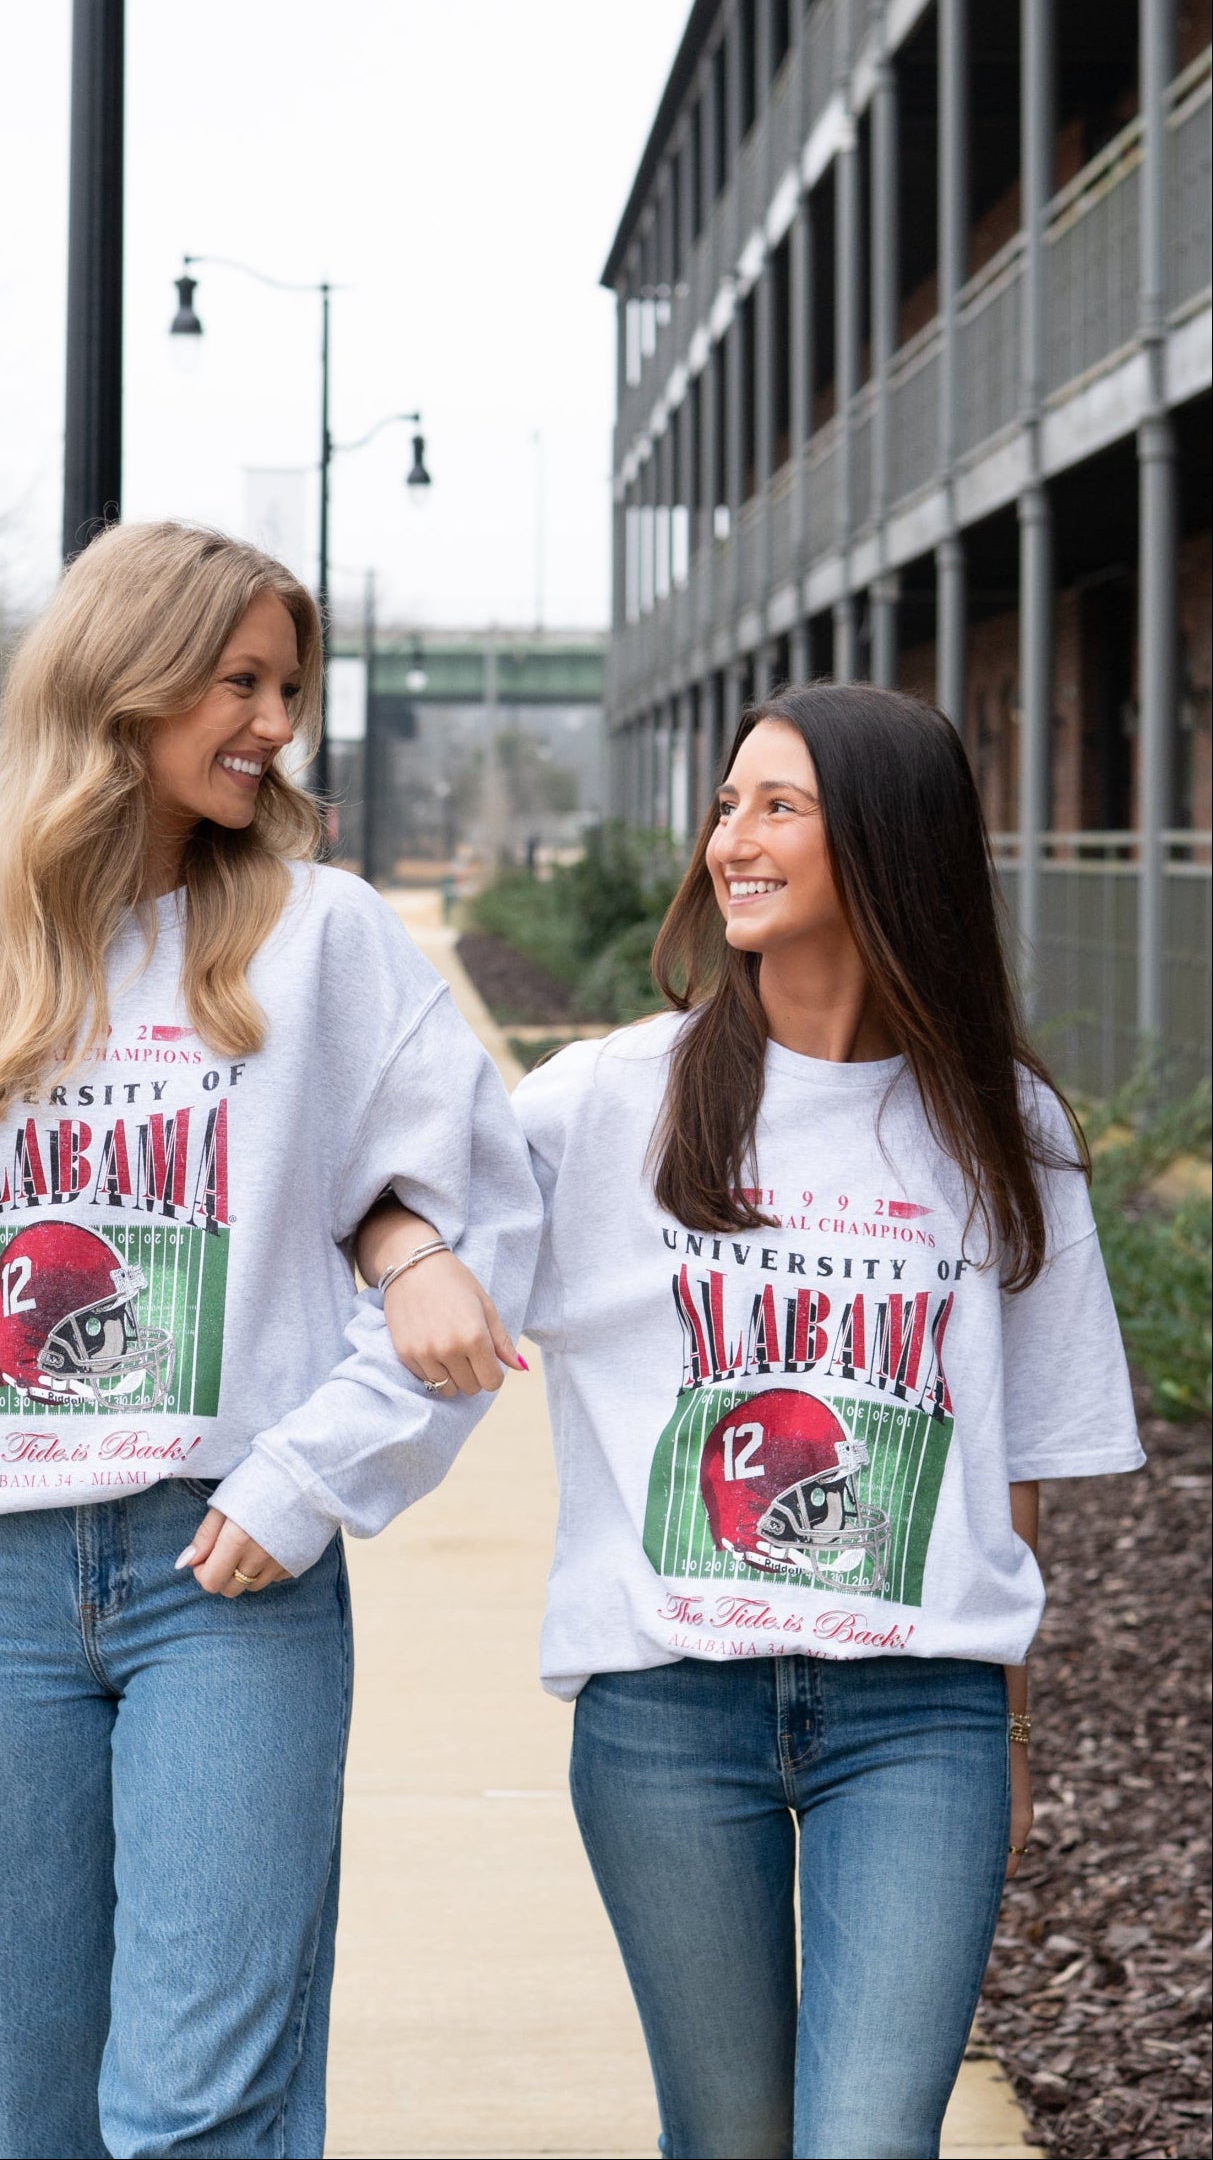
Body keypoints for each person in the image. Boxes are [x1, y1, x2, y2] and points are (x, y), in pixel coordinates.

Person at [0, 521, 538, 2160]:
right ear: (122, 682)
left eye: (288, 687)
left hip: (227, 1580)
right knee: (28, 2117)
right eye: (238, 681)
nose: (275, 723)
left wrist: (308, 1475)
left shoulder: (323, 938)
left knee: (200, 2111)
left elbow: (481, 1220)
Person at [361, 683, 1143, 2160]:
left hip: (919, 1715)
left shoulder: (1006, 1126)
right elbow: (387, 1187)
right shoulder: (613, 1099)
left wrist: (1012, 1721)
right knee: (725, 2139)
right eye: (727, 805)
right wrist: (408, 1258)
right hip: (669, 1713)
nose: (731, 838)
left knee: (870, 2140)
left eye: (780, 806)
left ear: (890, 841)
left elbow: (1016, 1460)